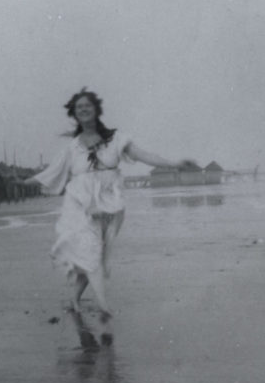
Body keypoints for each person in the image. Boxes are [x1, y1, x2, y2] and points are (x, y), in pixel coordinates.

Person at [21, 88, 178, 321]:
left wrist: (174, 164)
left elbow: (144, 155)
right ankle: (104, 307)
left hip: (110, 204)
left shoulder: (115, 139)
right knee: (90, 250)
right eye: (78, 107)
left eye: (87, 105)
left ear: (96, 109)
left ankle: (75, 299)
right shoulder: (72, 147)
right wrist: (23, 181)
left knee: (95, 254)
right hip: (80, 206)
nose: (83, 109)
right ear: (74, 114)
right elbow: (51, 172)